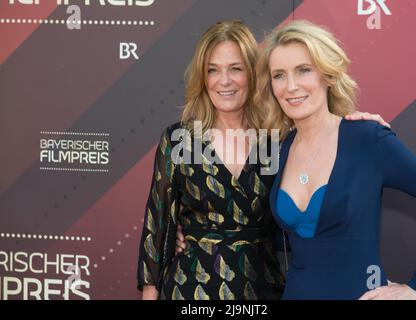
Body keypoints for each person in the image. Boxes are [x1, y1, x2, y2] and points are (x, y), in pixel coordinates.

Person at [138, 20, 389, 300]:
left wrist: (360, 130)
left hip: (261, 288)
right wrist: (151, 292)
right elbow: (156, 229)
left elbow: (326, 148)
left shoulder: (277, 139)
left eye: (236, 68)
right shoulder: (180, 140)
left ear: (254, 74)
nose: (224, 81)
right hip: (191, 290)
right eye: (213, 70)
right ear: (202, 77)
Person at [254, 20, 416, 300]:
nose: (291, 86)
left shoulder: (367, 139)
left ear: (328, 75)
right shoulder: (280, 149)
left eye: (304, 70)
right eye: (279, 75)